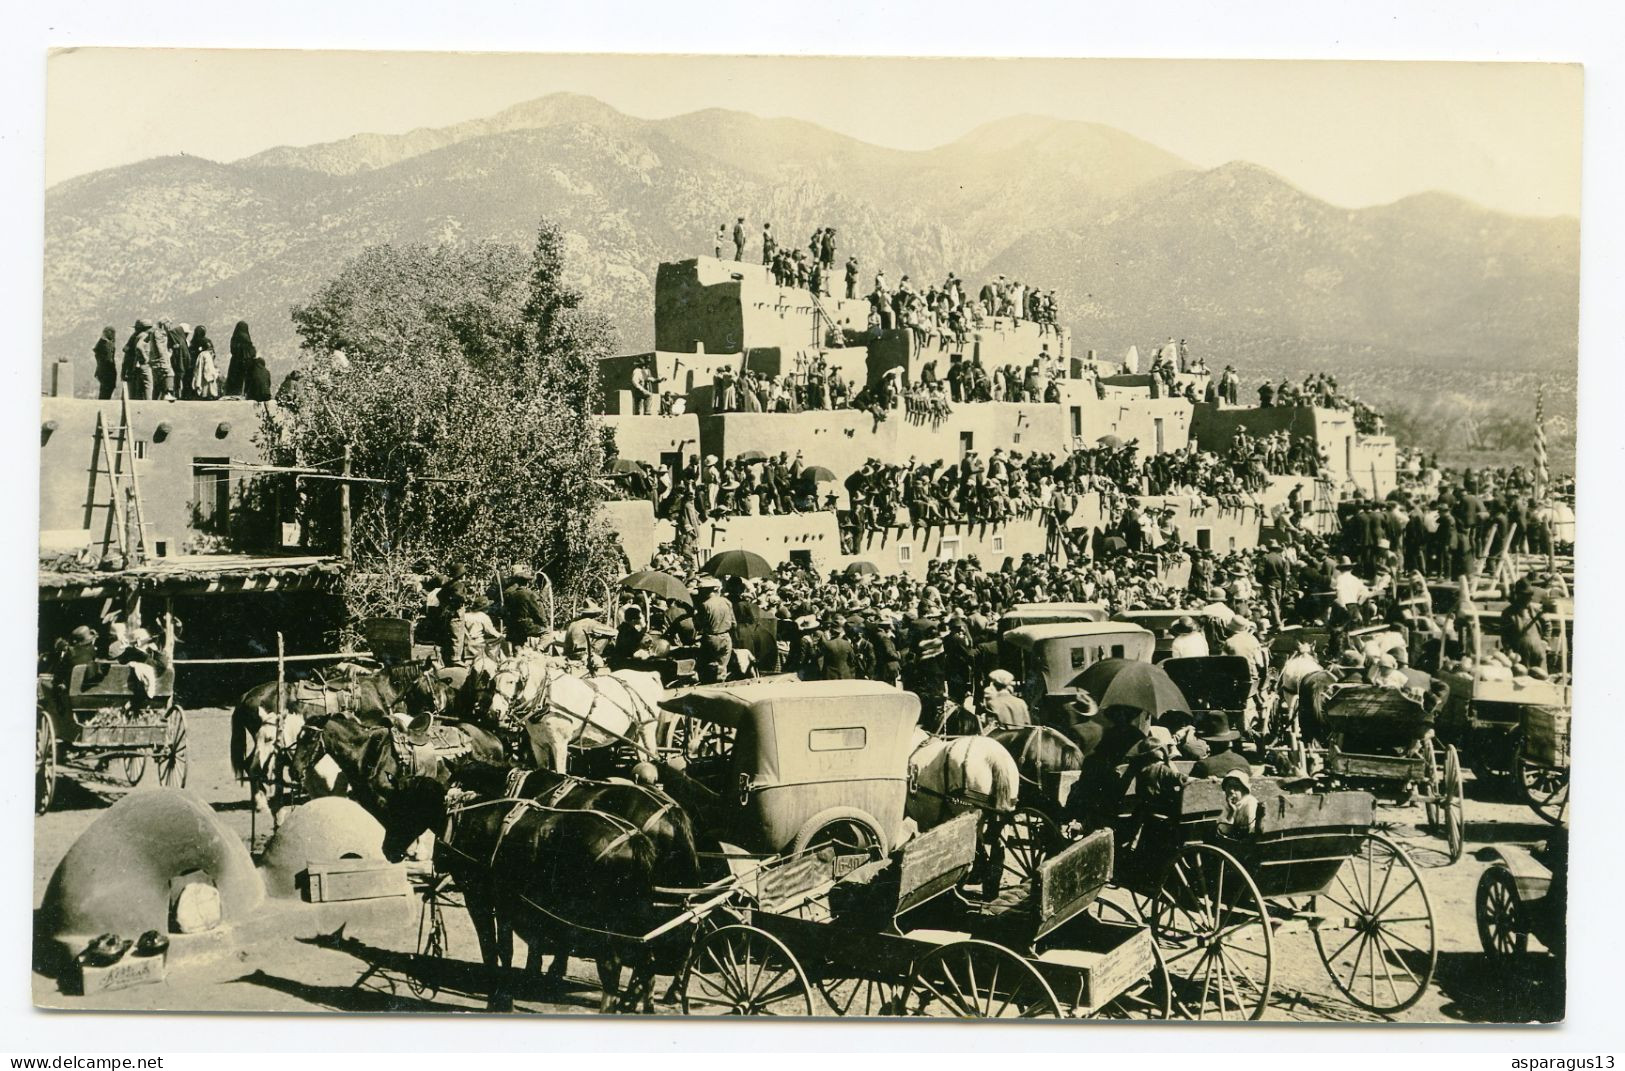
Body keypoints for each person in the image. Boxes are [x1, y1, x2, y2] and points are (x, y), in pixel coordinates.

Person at [694, 578, 736, 683]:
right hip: (726, 636)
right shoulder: (726, 602)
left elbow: (699, 625)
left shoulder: (705, 605)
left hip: (711, 638)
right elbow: (734, 623)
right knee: (722, 666)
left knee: (709, 666)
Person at [447, 591, 504, 667]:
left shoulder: (466, 615)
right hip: (478, 643)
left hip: (465, 642)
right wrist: (501, 635)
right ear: (485, 608)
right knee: (498, 644)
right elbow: (491, 631)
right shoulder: (483, 616)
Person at [1189, 712, 1251, 779]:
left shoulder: (1202, 766)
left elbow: (1190, 786)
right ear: (1229, 740)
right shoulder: (1243, 762)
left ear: (1208, 742)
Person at [501, 565, 549, 649]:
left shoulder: (510, 594)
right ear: (527, 582)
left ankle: (517, 656)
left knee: (517, 644)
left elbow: (505, 610)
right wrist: (544, 623)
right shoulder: (530, 594)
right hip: (526, 626)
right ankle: (539, 649)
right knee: (547, 632)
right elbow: (538, 611)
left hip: (514, 626)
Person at [1216, 770, 1258, 839]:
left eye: (1236, 787)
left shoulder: (1250, 803)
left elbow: (1253, 829)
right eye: (1229, 787)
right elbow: (1223, 831)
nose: (1231, 791)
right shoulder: (1230, 804)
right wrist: (1231, 812)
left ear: (1244, 790)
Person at [226, 321, 255, 397]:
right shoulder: (245, 336)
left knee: (234, 379)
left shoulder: (234, 337)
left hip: (235, 361)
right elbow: (250, 350)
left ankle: (233, 393)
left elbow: (232, 350)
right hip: (244, 362)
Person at [189, 326, 219, 399]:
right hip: (208, 364)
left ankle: (201, 394)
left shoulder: (193, 342)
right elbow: (212, 353)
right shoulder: (207, 341)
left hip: (197, 364)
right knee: (208, 378)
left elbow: (191, 353)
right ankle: (209, 394)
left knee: (199, 378)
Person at [93, 327, 118, 399]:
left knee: (105, 391)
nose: (114, 335)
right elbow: (108, 359)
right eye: (112, 333)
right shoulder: (106, 344)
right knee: (106, 392)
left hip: (103, 371)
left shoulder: (102, 343)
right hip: (107, 371)